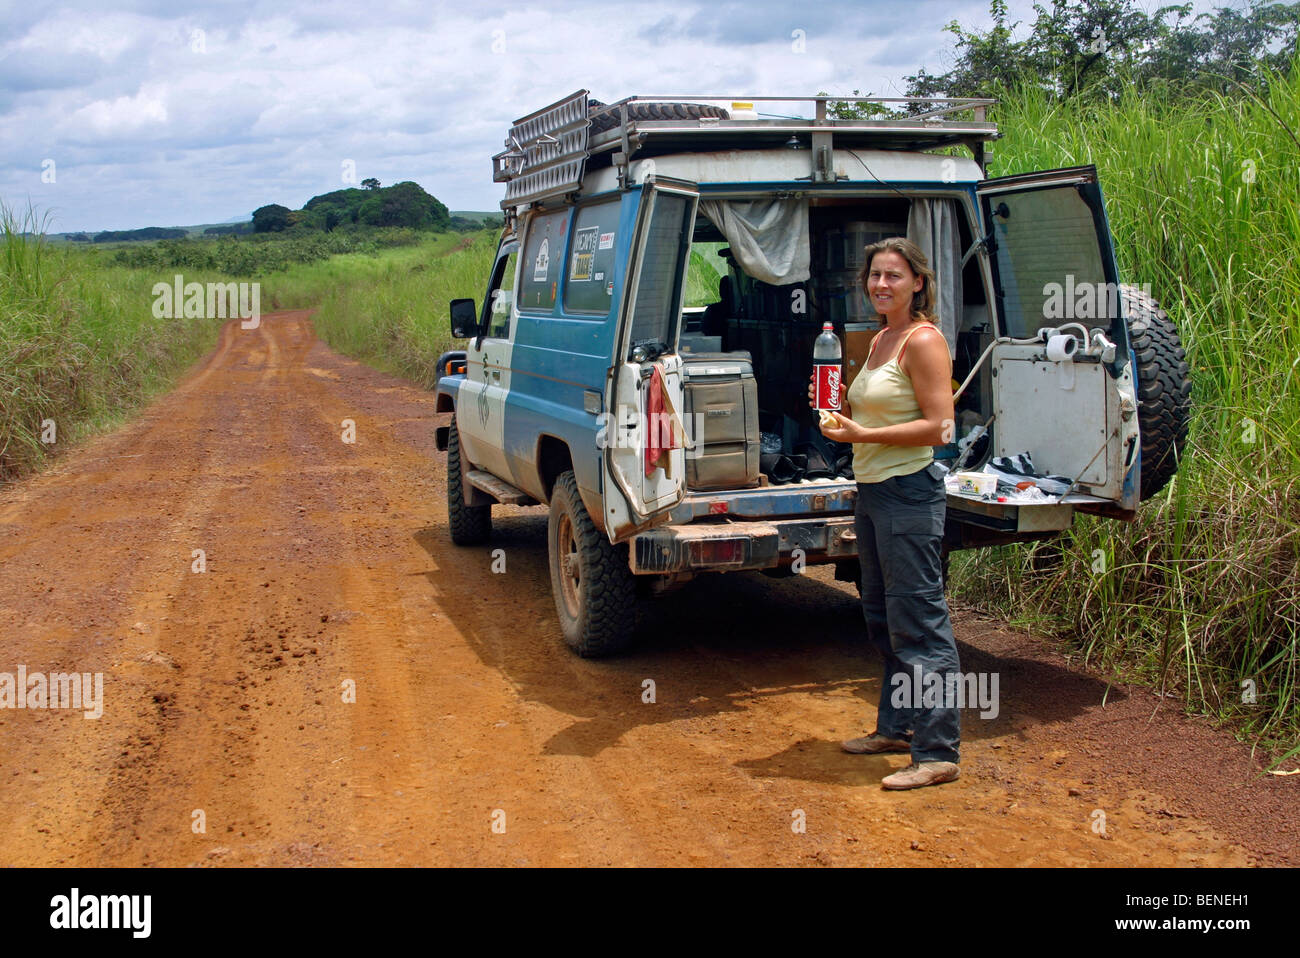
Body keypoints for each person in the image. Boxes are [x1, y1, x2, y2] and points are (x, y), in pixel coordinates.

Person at [809, 236, 961, 790]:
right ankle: (896, 728)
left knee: (920, 622)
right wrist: (836, 410)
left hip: (910, 493)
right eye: (874, 275)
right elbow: (865, 410)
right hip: (874, 491)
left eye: (893, 275)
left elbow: (943, 428)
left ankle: (938, 751)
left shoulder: (922, 342)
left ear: (917, 282)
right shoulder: (879, 340)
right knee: (881, 616)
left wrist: (864, 432)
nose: (881, 284)